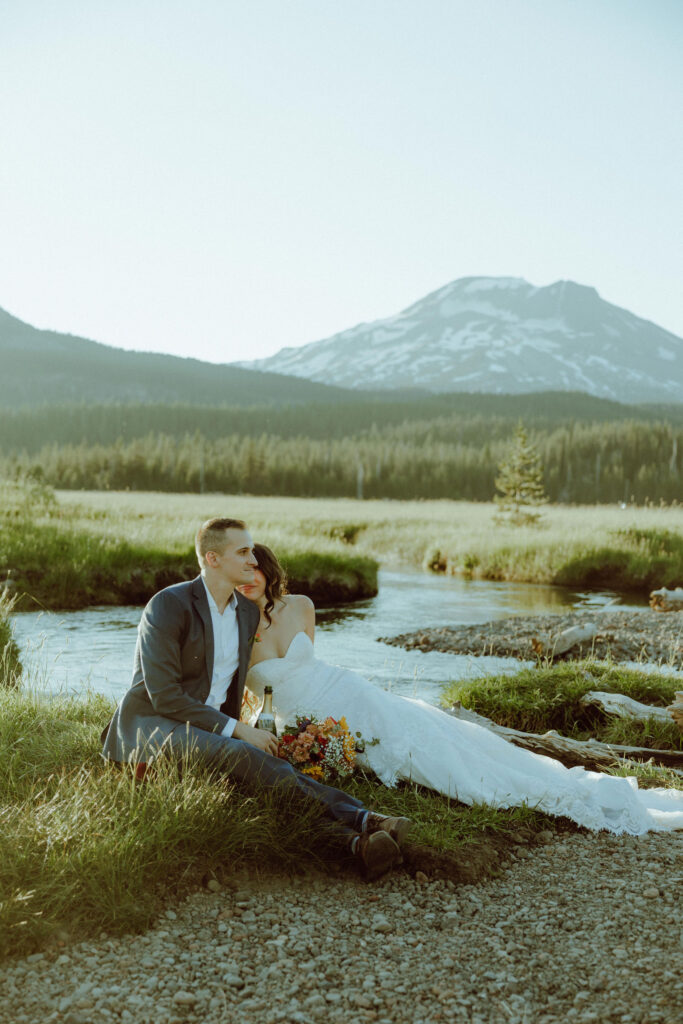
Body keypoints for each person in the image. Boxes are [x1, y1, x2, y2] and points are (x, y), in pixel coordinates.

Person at [238, 545, 683, 835]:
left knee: (422, 729)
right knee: (404, 752)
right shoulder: (236, 626)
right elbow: (249, 692)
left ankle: (549, 787)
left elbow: (309, 663)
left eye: (256, 569)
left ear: (268, 570)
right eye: (243, 572)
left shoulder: (301, 606)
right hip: (304, 720)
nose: (250, 578)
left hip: (346, 689)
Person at [100, 518, 412, 880]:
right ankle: (363, 818)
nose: (253, 560)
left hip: (209, 733)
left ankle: (356, 846)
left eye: (252, 551)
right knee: (241, 755)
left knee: (248, 792)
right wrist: (238, 731)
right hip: (154, 729)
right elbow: (165, 697)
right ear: (213, 559)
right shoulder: (168, 605)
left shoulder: (247, 613)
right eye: (243, 551)